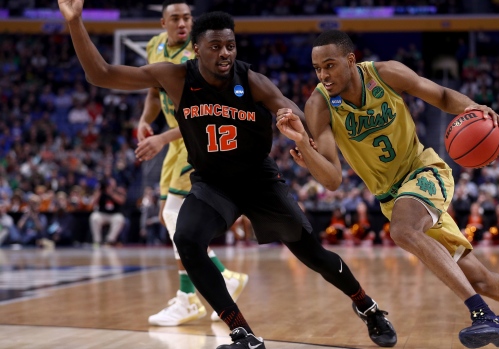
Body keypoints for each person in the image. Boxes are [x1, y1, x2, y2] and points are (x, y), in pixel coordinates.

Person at [58, 4, 396, 349]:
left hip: (258, 181)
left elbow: (287, 106)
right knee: (187, 240)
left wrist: (293, 121)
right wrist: (75, 21)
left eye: (230, 46)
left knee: (314, 255)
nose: (225, 53)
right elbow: (100, 74)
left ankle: (368, 307)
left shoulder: (251, 80)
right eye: (216, 46)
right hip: (212, 183)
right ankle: (244, 334)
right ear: (196, 49)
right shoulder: (175, 77)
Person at [276, 30, 499, 349]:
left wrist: (473, 106)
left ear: (350, 60)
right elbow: (332, 179)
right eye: (317, 68)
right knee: (480, 280)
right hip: (391, 197)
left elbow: (440, 95)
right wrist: (304, 146)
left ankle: (483, 315)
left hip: (424, 171)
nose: (323, 75)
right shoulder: (319, 104)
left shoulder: (385, 74)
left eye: (329, 65)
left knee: (403, 230)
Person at [133, 0, 248, 326]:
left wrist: (160, 139)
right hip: (173, 143)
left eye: (187, 17)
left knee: (174, 217)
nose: (183, 23)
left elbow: (203, 112)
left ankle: (189, 298)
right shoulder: (155, 47)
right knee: (168, 217)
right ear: (163, 22)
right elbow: (154, 93)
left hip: (197, 139)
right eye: (176, 18)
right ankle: (222, 279)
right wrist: (145, 120)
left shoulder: (197, 55)